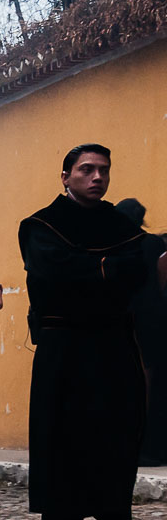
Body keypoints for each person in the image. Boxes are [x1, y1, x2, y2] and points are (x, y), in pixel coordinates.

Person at [19, 144, 167, 520]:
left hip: (113, 341)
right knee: (65, 426)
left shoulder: (122, 227)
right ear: (65, 177)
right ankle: (66, 511)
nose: (97, 177)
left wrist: (93, 271)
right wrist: (105, 271)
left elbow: (136, 274)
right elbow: (53, 273)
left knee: (114, 422)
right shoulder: (41, 225)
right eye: (86, 169)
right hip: (63, 342)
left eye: (103, 170)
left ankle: (108, 505)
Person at [114, 198, 167, 466]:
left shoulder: (111, 245)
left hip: (119, 317)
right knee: (151, 380)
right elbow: (160, 281)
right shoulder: (154, 245)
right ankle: (150, 445)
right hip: (152, 316)